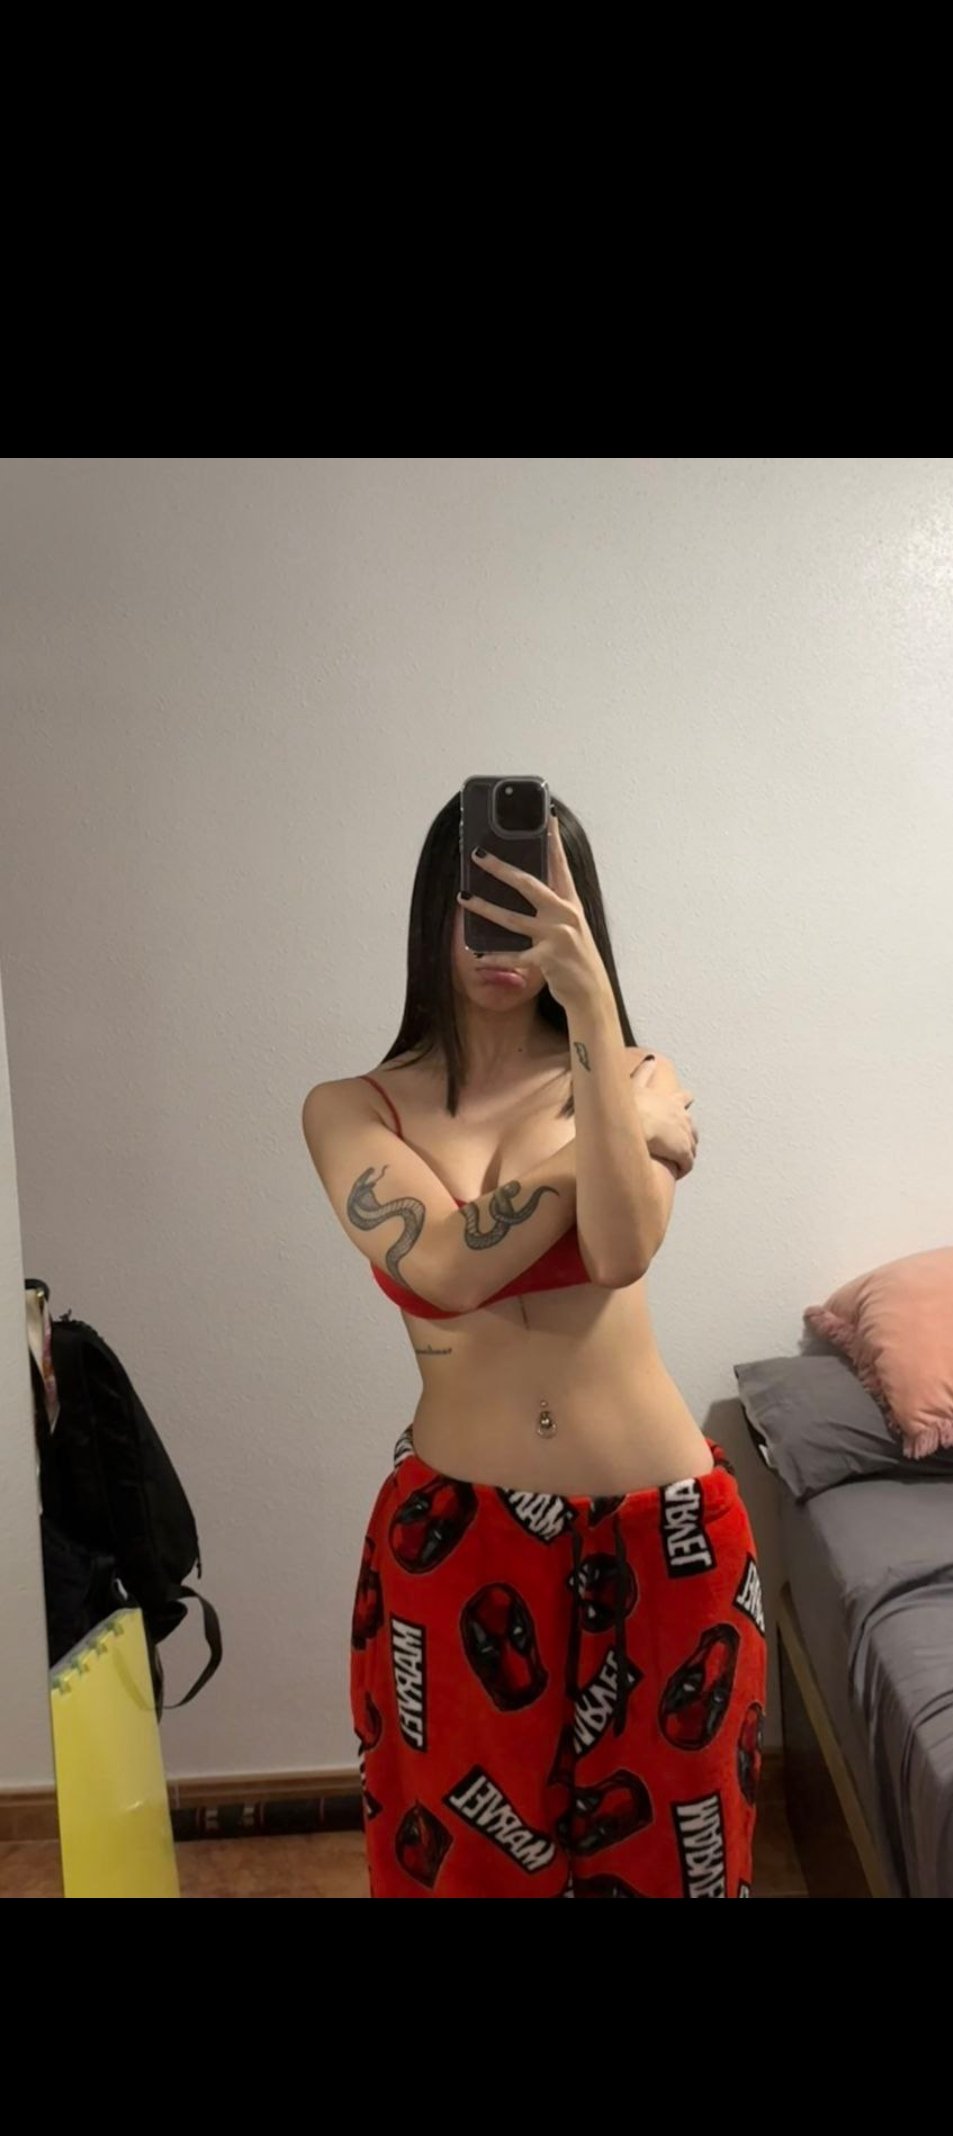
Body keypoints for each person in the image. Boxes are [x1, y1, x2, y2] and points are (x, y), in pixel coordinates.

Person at [302, 794, 766, 1898]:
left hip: (666, 1536)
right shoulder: (351, 1109)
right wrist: (604, 1146)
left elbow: (620, 1248)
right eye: (480, 904)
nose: (500, 938)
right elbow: (446, 1267)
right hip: (458, 1539)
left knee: (672, 1879)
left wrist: (594, 1011)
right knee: (462, 1871)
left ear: (578, 920)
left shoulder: (638, 1077)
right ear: (435, 913)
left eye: (534, 906)